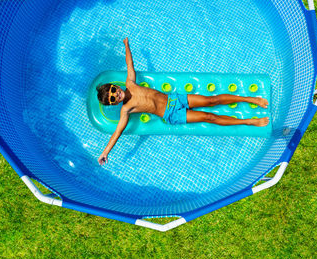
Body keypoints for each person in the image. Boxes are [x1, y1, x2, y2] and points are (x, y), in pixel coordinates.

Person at [97, 38, 269, 165]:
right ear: (114, 103)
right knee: (208, 117)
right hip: (171, 114)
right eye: (113, 98)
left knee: (211, 100)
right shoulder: (126, 109)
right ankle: (249, 121)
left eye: (113, 90)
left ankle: (249, 99)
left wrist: (126, 45)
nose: (116, 94)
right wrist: (106, 152)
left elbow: (130, 63)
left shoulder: (130, 83)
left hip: (174, 98)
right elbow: (117, 132)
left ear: (115, 86)